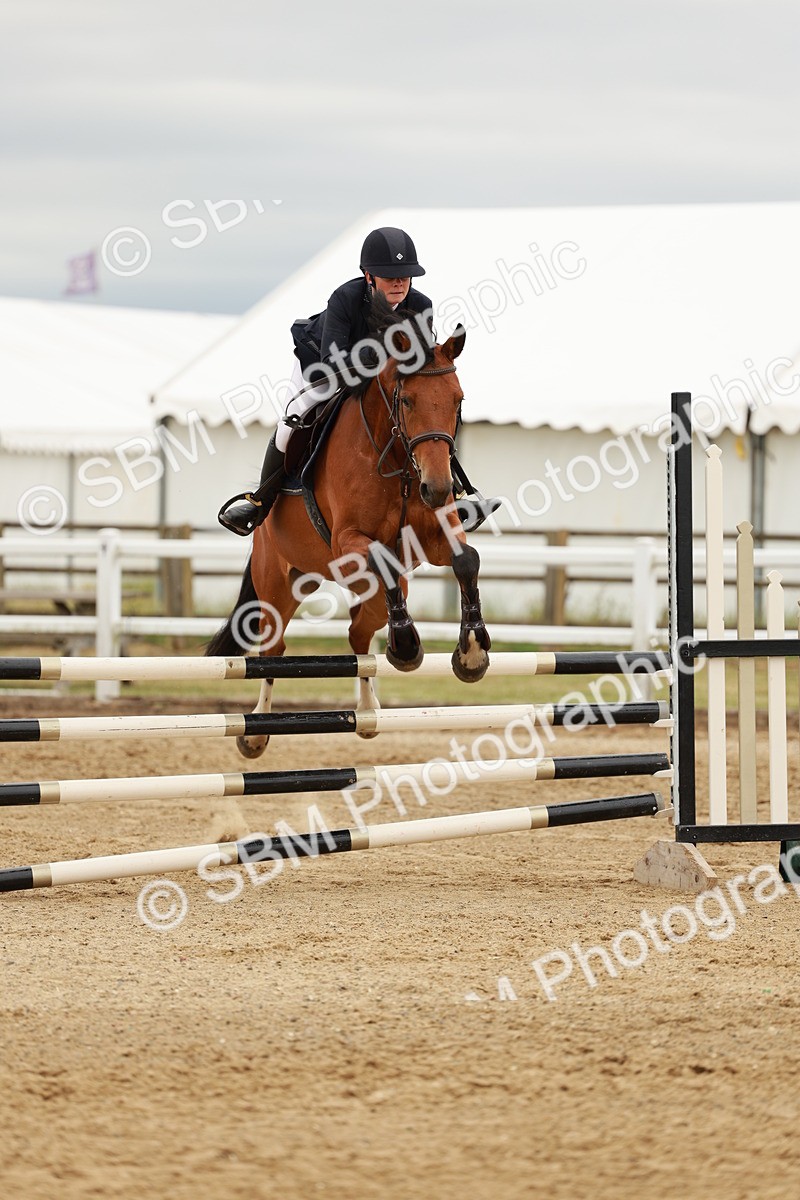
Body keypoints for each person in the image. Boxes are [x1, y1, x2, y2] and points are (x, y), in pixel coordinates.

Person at [218, 226, 500, 536]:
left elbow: (416, 365)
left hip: (380, 375)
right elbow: (332, 363)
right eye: (389, 275)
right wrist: (380, 356)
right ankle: (261, 501)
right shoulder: (345, 299)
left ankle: (460, 493)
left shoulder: (421, 305)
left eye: (405, 275)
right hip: (321, 366)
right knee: (293, 421)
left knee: (424, 415)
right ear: (368, 276)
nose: (399, 282)